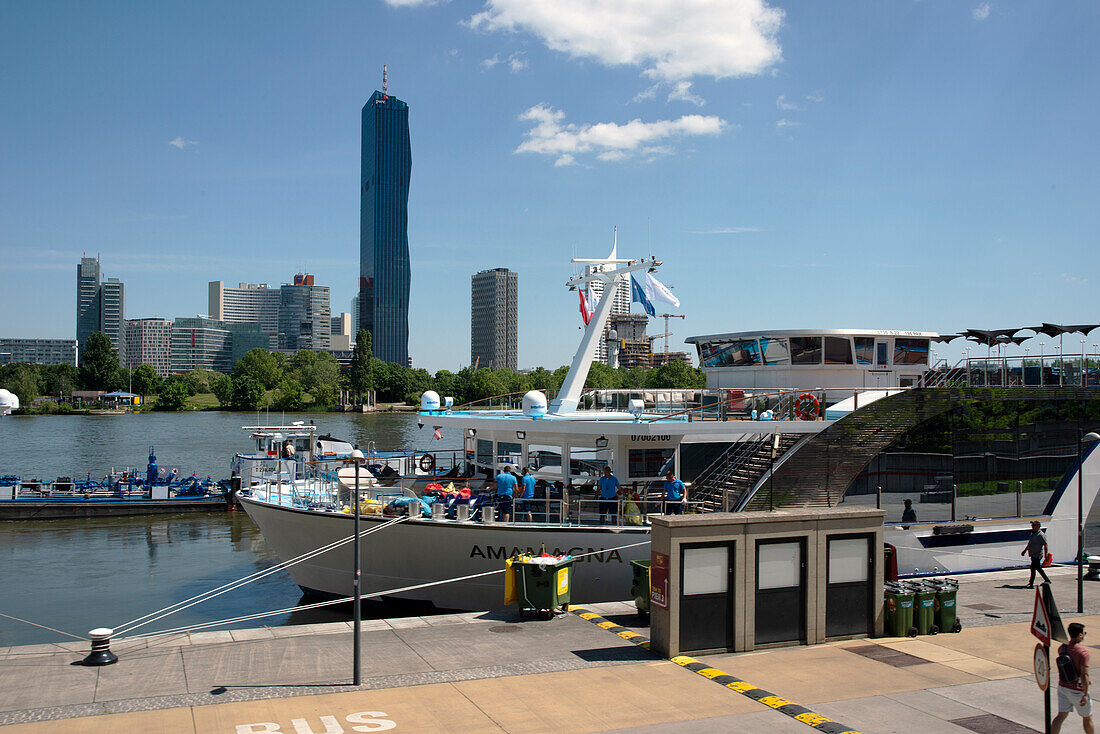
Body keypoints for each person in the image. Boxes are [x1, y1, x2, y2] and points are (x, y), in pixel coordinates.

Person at [1053, 622, 1092, 734]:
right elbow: (1084, 674)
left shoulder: (1062, 648)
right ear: (1080, 635)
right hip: (1077, 690)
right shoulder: (1083, 653)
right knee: (1087, 718)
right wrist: (1085, 694)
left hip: (1063, 687)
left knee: (1060, 716)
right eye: (1084, 633)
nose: (1084, 635)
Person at [1022, 519, 1051, 588]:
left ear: (1038, 526)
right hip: (1033, 554)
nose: (1032, 526)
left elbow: (1045, 544)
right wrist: (1025, 550)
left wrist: (1046, 554)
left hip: (1037, 555)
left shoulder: (1041, 535)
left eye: (1034, 525)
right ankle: (1047, 580)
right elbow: (1030, 543)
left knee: (1033, 568)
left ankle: (1031, 583)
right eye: (1032, 525)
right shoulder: (1033, 533)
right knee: (1038, 568)